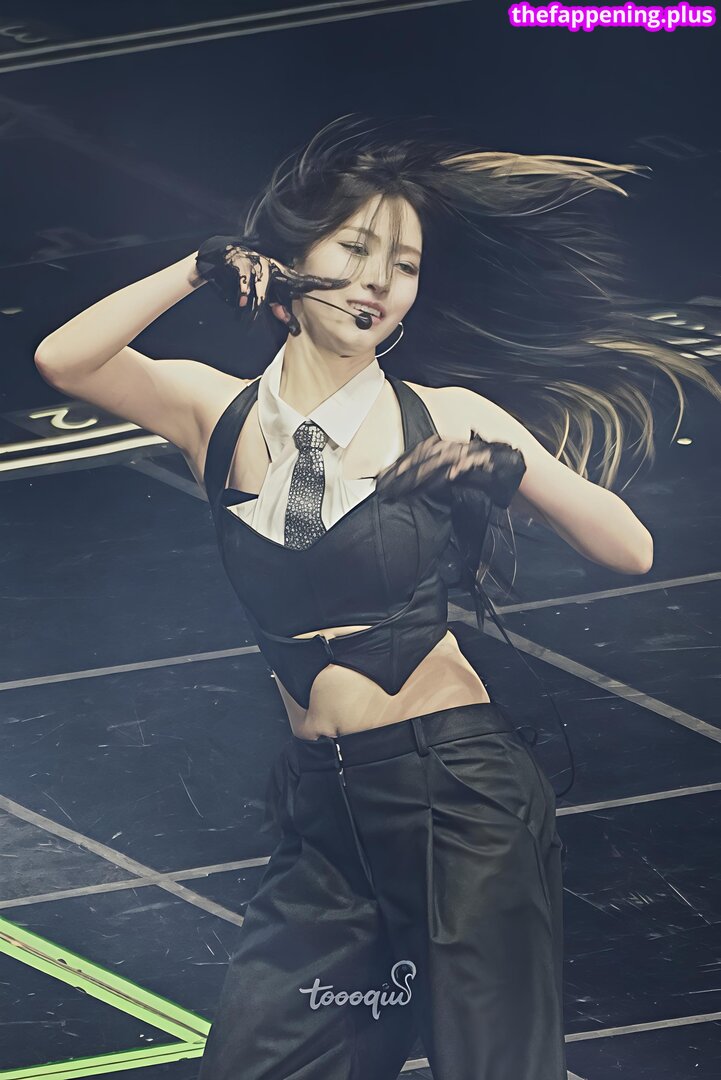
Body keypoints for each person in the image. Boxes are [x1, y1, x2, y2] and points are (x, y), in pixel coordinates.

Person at [34, 114, 721, 1080]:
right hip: (323, 820)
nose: (377, 282)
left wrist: (507, 466)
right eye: (355, 250)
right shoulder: (210, 408)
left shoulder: (444, 415)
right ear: (290, 264)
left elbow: (631, 549)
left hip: (457, 803)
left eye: (403, 267)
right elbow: (64, 361)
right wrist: (194, 268)